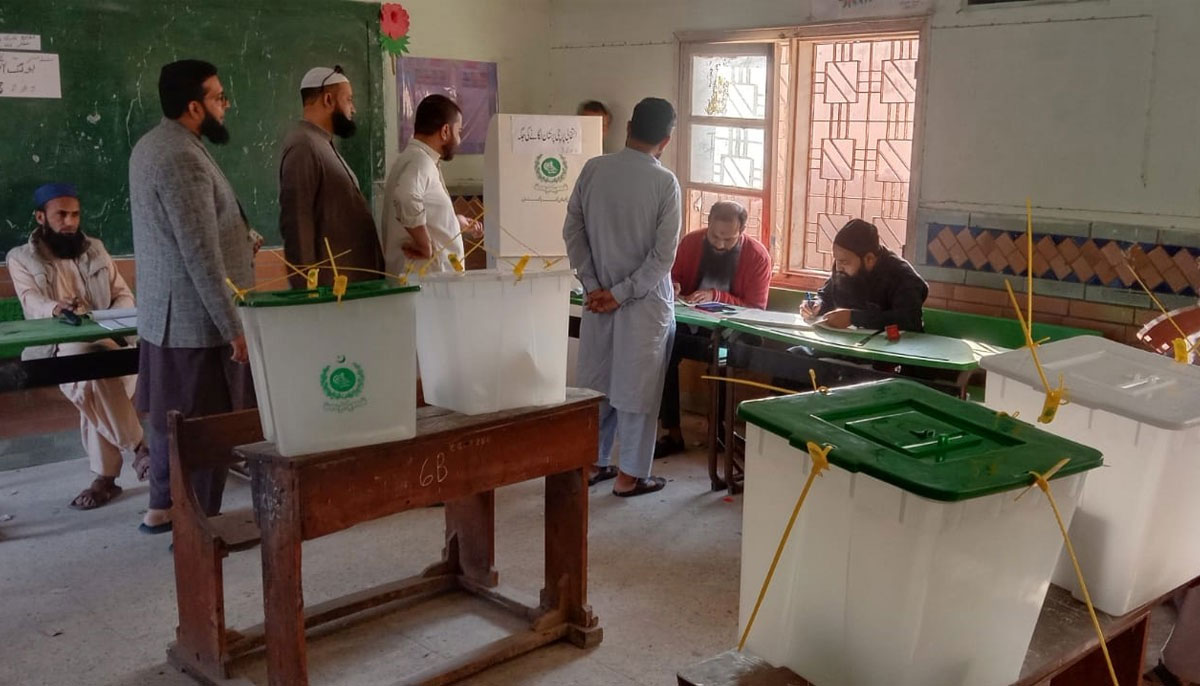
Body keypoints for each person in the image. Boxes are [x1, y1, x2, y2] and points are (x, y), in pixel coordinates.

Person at [129, 59, 258, 534]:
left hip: (170, 316)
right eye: (218, 98)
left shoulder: (155, 144)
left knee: (171, 419)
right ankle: (199, 528)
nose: (225, 106)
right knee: (207, 428)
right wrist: (233, 328)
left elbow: (189, 232)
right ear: (192, 106)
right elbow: (199, 252)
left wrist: (240, 238)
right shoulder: (180, 156)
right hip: (195, 321)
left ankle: (162, 507)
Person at [563, 97, 681, 497]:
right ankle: (630, 476)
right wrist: (620, 294)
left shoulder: (595, 169)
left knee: (598, 385)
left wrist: (594, 284)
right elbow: (663, 257)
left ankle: (594, 463)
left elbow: (573, 232)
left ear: (628, 126)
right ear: (666, 140)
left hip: (596, 299)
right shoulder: (665, 182)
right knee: (636, 391)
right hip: (643, 304)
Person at [7, 183, 147, 510]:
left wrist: (109, 316)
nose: (70, 222)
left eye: (75, 214)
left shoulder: (95, 248)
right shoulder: (21, 258)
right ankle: (140, 447)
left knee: (93, 377)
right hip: (57, 345)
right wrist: (58, 309)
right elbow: (32, 301)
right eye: (61, 215)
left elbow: (123, 294)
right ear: (41, 217)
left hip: (110, 338)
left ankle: (105, 479)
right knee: (87, 364)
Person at [655, 200, 772, 457]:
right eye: (715, 236)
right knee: (663, 351)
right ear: (707, 226)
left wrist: (717, 295)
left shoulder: (756, 255)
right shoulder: (691, 243)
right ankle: (671, 431)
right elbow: (673, 276)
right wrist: (673, 286)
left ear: (742, 232)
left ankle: (717, 429)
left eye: (729, 239)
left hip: (734, 331)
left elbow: (755, 308)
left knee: (720, 356)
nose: (720, 244)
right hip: (692, 323)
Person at [278, 66, 384, 288]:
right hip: (331, 292)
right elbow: (297, 224)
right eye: (348, 99)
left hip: (349, 288)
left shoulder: (321, 142)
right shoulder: (303, 146)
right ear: (328, 99)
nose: (352, 109)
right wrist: (307, 290)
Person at [382, 94, 481, 277]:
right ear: (445, 131)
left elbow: (418, 204)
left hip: (427, 284)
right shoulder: (421, 161)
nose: (459, 140)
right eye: (458, 132)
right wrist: (424, 245)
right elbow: (406, 196)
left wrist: (452, 220)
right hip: (426, 282)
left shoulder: (413, 158)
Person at [801, 218, 928, 331]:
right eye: (836, 260)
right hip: (847, 345)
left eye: (843, 262)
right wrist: (817, 304)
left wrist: (854, 318)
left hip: (889, 350)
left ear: (869, 259)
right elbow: (827, 295)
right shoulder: (843, 267)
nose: (838, 267)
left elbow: (908, 320)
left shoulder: (903, 277)